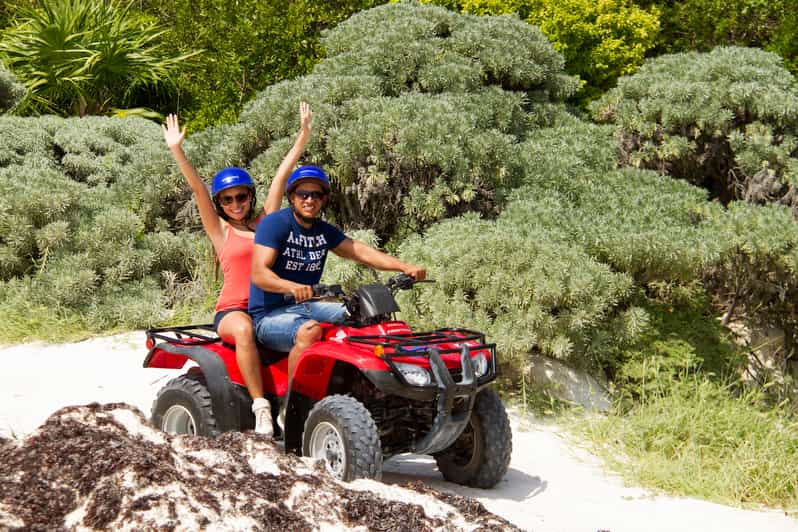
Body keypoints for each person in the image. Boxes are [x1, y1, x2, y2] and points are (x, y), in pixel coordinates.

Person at [162, 102, 314, 437]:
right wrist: (178, 151)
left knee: (317, 329)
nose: (235, 204)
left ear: (250, 196)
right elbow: (199, 190)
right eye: (227, 200)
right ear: (220, 204)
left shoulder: (266, 224)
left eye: (241, 197)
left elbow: (280, 178)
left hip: (270, 309)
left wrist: (302, 137)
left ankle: (293, 404)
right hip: (232, 311)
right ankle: (261, 408)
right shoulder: (221, 232)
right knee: (243, 329)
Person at [249, 165, 426, 382]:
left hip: (307, 306)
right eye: (303, 194)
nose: (309, 200)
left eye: (317, 195)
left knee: (365, 315)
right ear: (292, 197)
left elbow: (359, 251)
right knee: (310, 331)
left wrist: (404, 266)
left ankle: (367, 383)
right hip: (269, 315)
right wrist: (291, 287)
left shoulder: (323, 230)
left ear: (324, 199)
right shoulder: (275, 224)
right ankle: (294, 402)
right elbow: (259, 274)